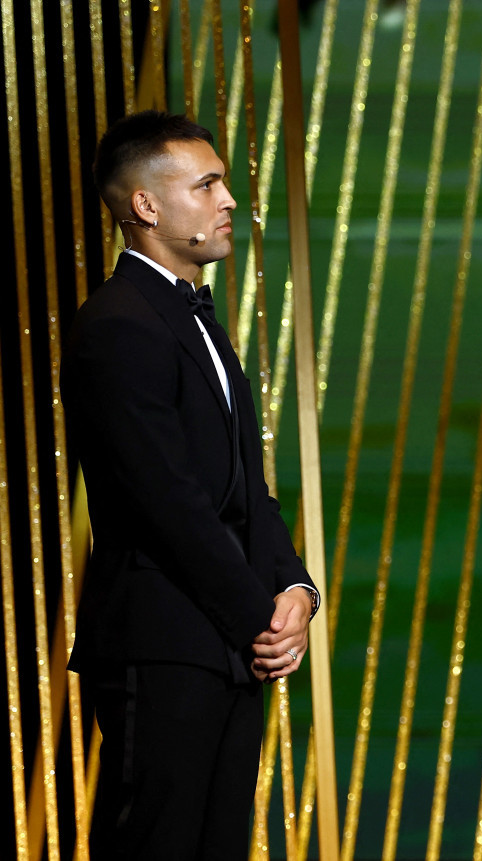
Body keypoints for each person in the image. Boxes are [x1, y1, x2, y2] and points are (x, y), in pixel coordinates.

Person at [64, 111, 319, 860]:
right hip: (166, 640)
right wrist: (259, 617)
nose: (228, 199)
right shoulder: (118, 323)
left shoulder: (196, 318)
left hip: (229, 642)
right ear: (145, 206)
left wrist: (296, 591)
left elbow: (247, 488)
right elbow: (165, 499)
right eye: (206, 184)